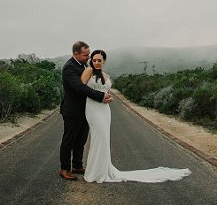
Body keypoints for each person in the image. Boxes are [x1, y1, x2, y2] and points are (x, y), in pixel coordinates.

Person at [81, 49, 192, 183]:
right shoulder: (88, 71)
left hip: (105, 110)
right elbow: (81, 89)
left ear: (104, 61)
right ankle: (94, 172)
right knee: (98, 138)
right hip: (93, 109)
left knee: (104, 139)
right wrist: (99, 97)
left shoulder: (106, 75)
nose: (97, 63)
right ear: (91, 61)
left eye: (99, 60)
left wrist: (109, 98)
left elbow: (107, 92)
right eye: (94, 60)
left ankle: (102, 170)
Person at [59, 40, 113, 181]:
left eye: (89, 55)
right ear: (76, 54)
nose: (88, 58)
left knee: (81, 139)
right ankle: (64, 169)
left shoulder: (84, 65)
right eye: (86, 55)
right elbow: (80, 88)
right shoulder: (69, 68)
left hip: (86, 110)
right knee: (69, 140)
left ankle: (77, 165)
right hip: (72, 110)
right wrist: (101, 96)